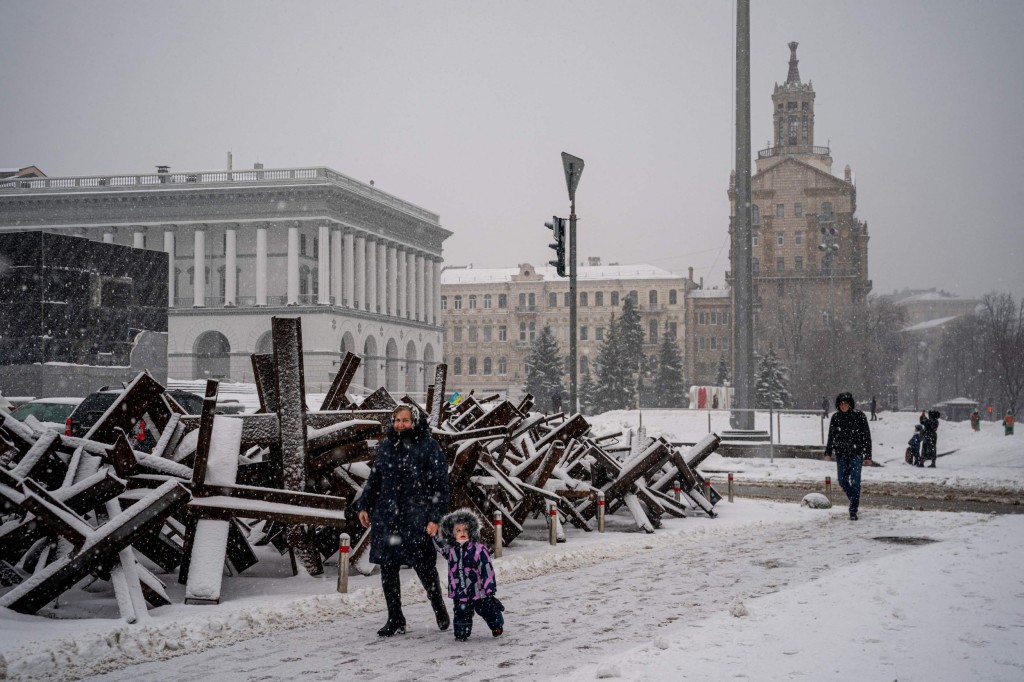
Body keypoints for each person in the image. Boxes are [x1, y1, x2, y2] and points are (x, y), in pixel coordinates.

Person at [355, 405, 451, 637]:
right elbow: (375, 479)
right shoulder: (387, 446)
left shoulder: (429, 447)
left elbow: (441, 487)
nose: (400, 425)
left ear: (415, 422)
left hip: (416, 518)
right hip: (388, 517)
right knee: (388, 569)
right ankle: (395, 618)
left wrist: (435, 518)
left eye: (405, 420)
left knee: (425, 568)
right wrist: (365, 505)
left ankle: (438, 606)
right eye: (397, 420)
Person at [432, 508, 505, 642]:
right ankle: (461, 632)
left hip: (479, 591)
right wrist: (434, 536)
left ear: (471, 531)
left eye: (465, 530)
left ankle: (497, 625)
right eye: (458, 531)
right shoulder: (451, 550)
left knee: (487, 610)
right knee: (461, 612)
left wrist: (489, 587)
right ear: (452, 534)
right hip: (460, 592)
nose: (462, 533)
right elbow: (440, 546)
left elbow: (486, 568)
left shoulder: (477, 549)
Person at [824, 392, 872, 520]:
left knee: (855, 481)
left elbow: (866, 436)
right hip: (841, 454)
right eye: (841, 404)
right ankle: (854, 499)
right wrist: (828, 452)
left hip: (856, 454)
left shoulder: (859, 416)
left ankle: (853, 510)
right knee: (842, 481)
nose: (843, 406)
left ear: (850, 404)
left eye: (845, 403)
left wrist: (868, 455)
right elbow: (831, 436)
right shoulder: (836, 418)